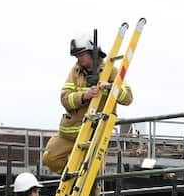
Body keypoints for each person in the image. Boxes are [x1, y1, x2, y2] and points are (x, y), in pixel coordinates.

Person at [40, 35, 134, 173]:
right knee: (50, 158)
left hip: (94, 134)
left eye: (82, 55)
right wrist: (84, 96)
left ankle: (84, 187)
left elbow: (128, 98)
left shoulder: (111, 71)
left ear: (93, 53)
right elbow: (65, 98)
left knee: (91, 175)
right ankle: (72, 179)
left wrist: (110, 87)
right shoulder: (75, 72)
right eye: (77, 56)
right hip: (69, 133)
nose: (79, 59)